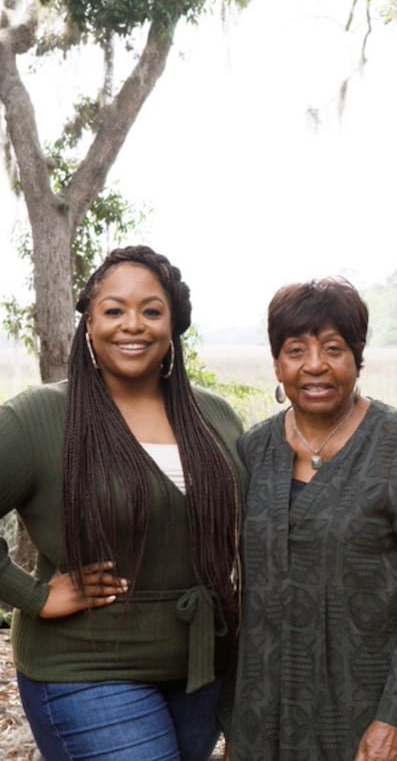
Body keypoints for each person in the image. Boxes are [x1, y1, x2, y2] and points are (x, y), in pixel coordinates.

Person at [0, 245, 246, 761]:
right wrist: (35, 596)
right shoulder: (41, 417)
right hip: (85, 667)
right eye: (114, 310)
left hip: (199, 671)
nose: (132, 325)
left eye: (151, 310)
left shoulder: (214, 417)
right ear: (88, 323)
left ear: (173, 324)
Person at [226, 277, 397, 761]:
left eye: (333, 348)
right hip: (267, 717)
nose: (315, 365)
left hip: (370, 715)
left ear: (358, 358)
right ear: (276, 362)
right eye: (295, 350)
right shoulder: (254, 450)